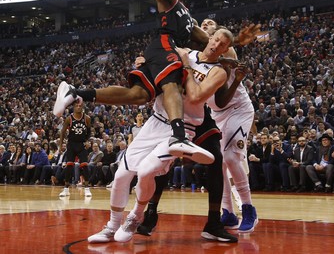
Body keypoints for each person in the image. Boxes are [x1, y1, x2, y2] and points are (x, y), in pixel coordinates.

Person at [53, 0, 212, 166]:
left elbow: (211, 43)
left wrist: (238, 40)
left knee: (137, 96)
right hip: (164, 45)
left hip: (161, 51)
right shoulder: (168, 0)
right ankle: (178, 137)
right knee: (172, 84)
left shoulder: (189, 17)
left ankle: (77, 92)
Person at [88, 28, 238, 244]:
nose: (215, 44)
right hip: (158, 118)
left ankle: (140, 216)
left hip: (189, 123)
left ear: (225, 49)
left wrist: (185, 65)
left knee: (154, 169)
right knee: (122, 174)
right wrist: (146, 62)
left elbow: (196, 96)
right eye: (214, 39)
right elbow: (158, 52)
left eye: (222, 44)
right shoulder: (184, 50)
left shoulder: (216, 70)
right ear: (208, 37)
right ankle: (120, 223)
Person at [200, 18, 259, 232]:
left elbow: (222, 56)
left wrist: (238, 42)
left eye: (210, 23)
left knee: (231, 157)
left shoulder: (229, 52)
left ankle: (249, 208)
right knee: (218, 164)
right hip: (216, 114)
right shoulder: (197, 54)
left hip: (238, 109)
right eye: (202, 23)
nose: (205, 24)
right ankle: (228, 212)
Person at [58, 101, 92, 197]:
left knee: (84, 165)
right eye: (76, 106)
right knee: (69, 166)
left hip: (81, 144)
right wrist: (60, 145)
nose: (78, 107)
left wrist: (87, 140)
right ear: (73, 107)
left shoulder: (87, 118)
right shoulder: (69, 119)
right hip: (71, 144)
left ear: (83, 107)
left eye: (80, 106)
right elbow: (63, 132)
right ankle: (66, 189)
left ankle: (87, 189)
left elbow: (89, 132)